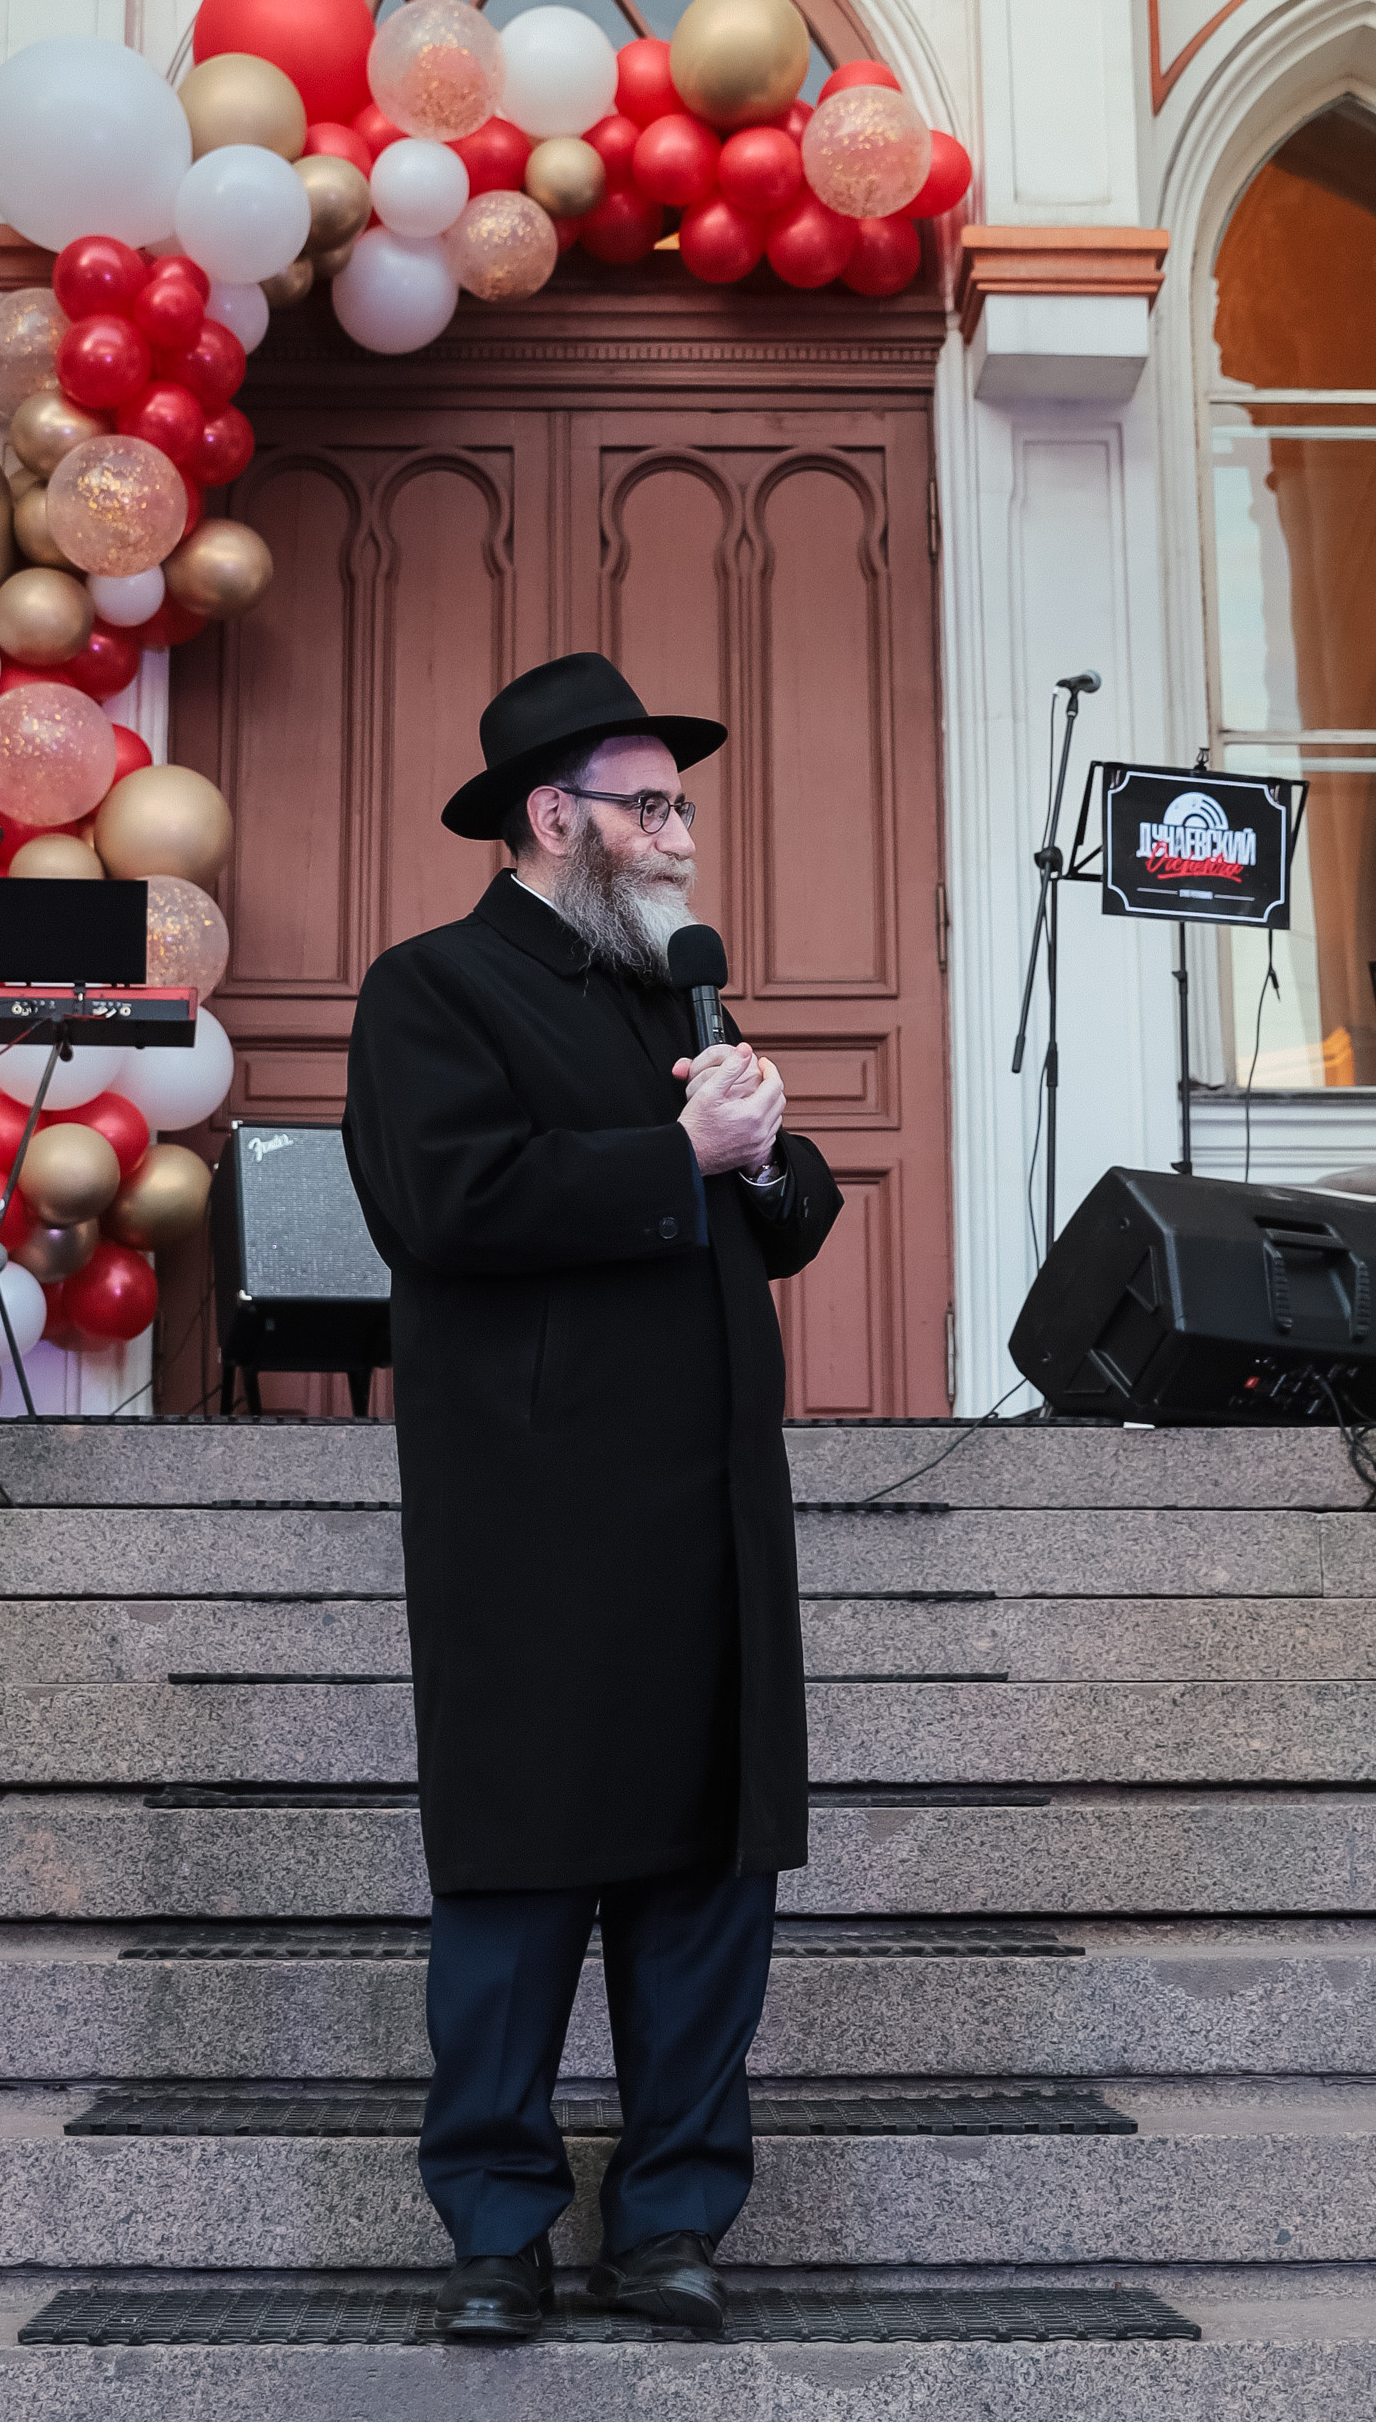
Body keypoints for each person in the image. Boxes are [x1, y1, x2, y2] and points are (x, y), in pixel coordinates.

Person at [342, 651, 842, 2343]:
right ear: (556, 817)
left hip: (705, 1515)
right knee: (520, 1880)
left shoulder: (675, 999)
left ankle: (673, 2224)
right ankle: (496, 2234)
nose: (684, 835)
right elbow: (448, 1199)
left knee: (709, 1880)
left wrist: (768, 1150)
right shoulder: (432, 989)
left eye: (680, 803)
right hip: (534, 1523)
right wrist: (677, 1163)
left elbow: (789, 1212)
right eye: (654, 805)